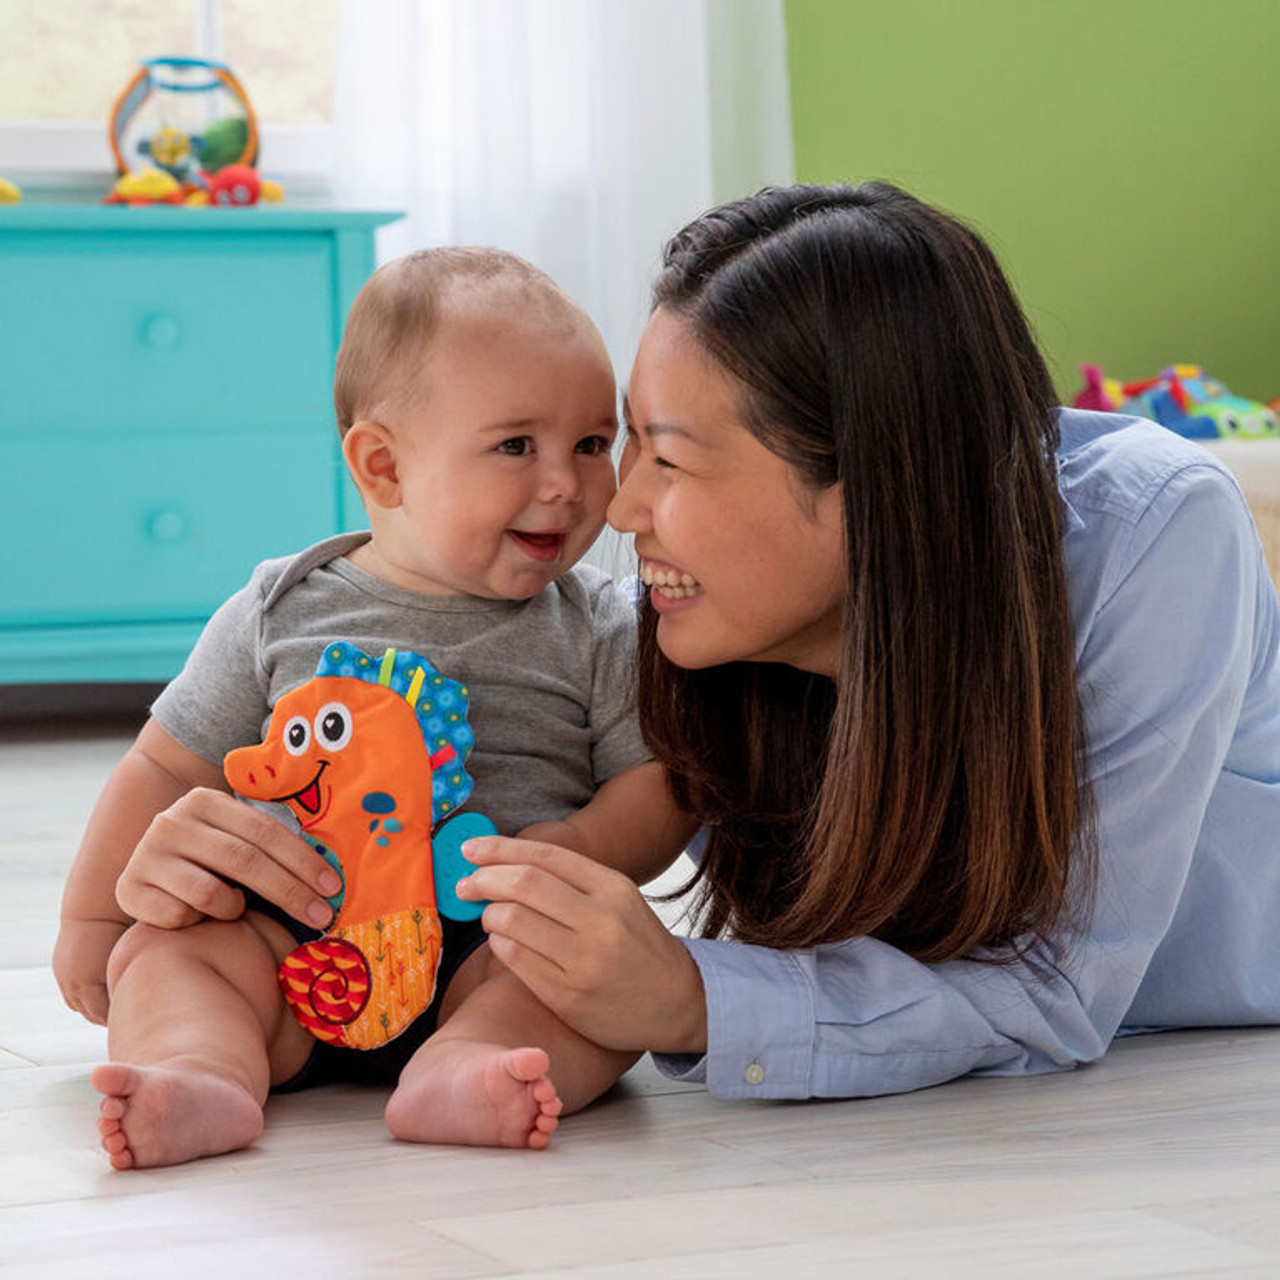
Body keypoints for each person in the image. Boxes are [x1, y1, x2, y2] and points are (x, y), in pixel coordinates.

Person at [103, 180, 1280, 1111]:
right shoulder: (703, 638)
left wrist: (689, 997)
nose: (612, 507)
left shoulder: (1152, 535)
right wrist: (202, 882)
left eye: (660, 456)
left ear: (864, 486)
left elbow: (1055, 990)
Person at [54, 247, 694, 1169]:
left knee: (591, 985)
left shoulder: (597, 627)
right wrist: (96, 924)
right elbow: (164, 766)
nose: (566, 482)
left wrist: (588, 846)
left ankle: (464, 1067)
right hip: (290, 927)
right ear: (384, 464)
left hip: (489, 939)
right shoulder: (281, 608)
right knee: (173, 954)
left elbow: (657, 782)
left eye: (593, 444)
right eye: (517, 446)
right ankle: (202, 1073)